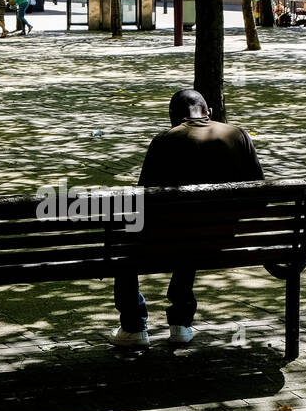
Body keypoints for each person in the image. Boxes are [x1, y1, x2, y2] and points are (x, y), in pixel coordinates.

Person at [112, 88, 264, 348]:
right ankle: (181, 323)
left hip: (175, 237)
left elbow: (142, 199)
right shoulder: (238, 135)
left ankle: (134, 326)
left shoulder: (165, 140)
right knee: (193, 227)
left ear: (173, 117)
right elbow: (260, 192)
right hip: (225, 238)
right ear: (210, 112)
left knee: (125, 239)